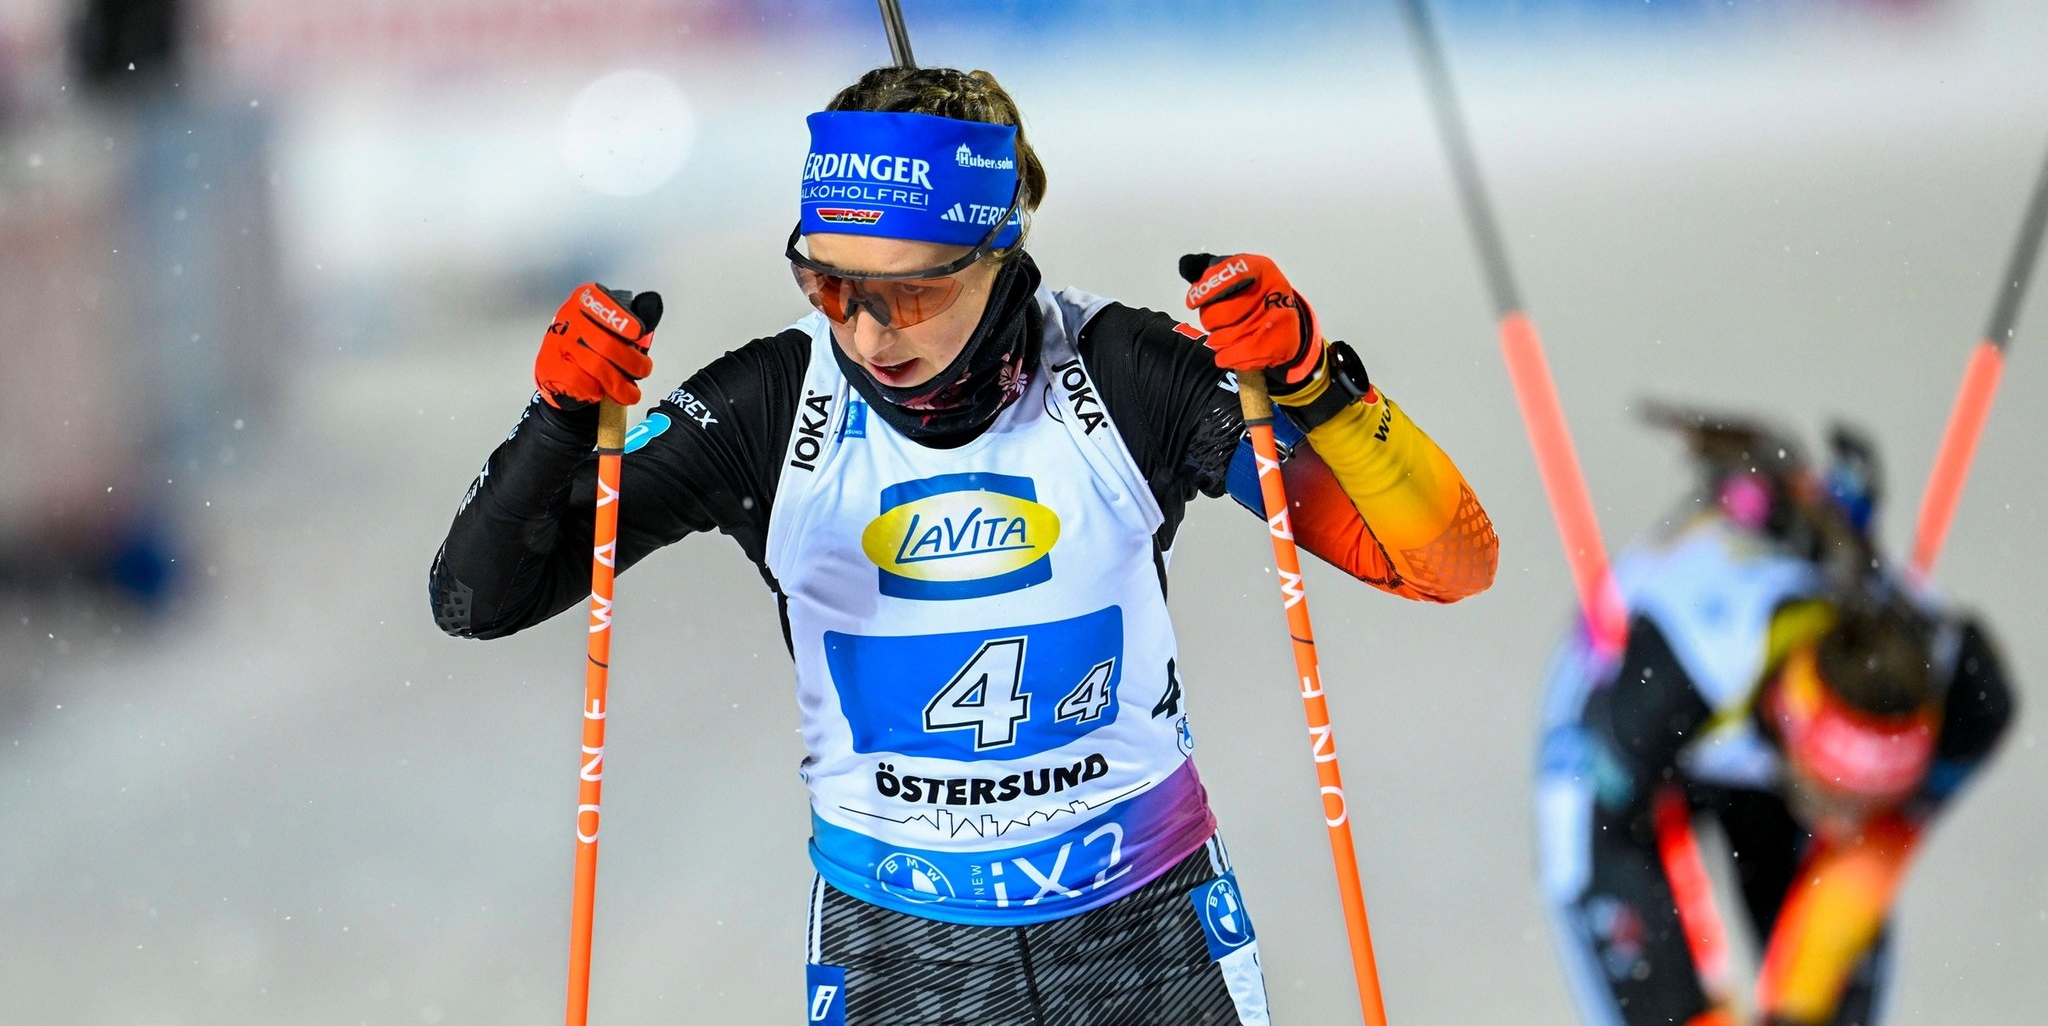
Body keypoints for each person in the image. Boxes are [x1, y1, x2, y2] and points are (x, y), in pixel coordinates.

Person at [430, 65, 1497, 1025]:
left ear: (997, 254)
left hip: (1145, 926)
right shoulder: (767, 402)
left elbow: (1444, 563)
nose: (866, 331)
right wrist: (555, 422)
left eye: (910, 292)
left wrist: (1316, 385)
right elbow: (478, 599)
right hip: (899, 949)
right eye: (827, 286)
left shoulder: (1121, 373)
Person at [1534, 406, 2016, 1026]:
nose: (1843, 820)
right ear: (1792, 717)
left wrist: (1802, 1002)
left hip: (1768, 768)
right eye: (1829, 795)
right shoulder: (1675, 677)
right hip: (1633, 745)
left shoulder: (1968, 700)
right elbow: (1596, 849)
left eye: (1864, 804)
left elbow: (1861, 867)